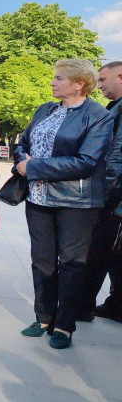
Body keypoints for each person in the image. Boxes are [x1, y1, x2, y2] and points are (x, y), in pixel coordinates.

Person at [14, 59, 113, 348]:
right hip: (38, 197)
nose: (52, 82)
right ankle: (43, 317)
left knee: (71, 264)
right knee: (42, 261)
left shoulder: (98, 116)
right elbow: (23, 142)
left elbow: (87, 161)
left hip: (76, 201)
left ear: (79, 83)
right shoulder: (45, 109)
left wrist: (34, 167)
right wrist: (22, 159)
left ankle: (64, 326)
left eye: (59, 78)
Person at [81, 61, 122, 323]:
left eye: (104, 79)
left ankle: (81, 306)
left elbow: (116, 157)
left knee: (98, 250)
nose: (100, 85)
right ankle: (115, 306)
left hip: (114, 194)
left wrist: (101, 194)